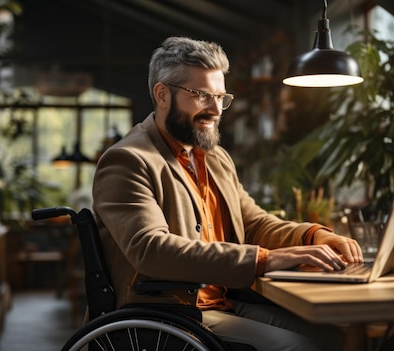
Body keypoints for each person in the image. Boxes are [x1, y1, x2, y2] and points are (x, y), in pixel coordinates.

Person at [92, 36, 364, 351]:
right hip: (170, 314)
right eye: (203, 95)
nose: (216, 109)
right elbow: (151, 250)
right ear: (162, 94)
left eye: (222, 97)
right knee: (299, 348)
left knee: (335, 336)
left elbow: (253, 224)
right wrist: (265, 260)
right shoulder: (128, 160)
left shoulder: (214, 157)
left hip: (222, 303)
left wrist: (313, 236)